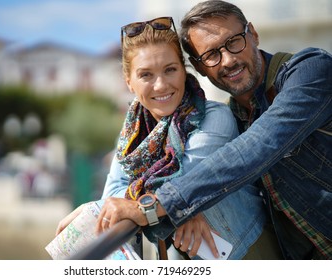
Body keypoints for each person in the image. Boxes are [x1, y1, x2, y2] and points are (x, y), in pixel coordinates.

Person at [56, 16, 276, 259]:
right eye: (146, 75)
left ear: (183, 71)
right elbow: (115, 191)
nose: (160, 85)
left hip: (245, 253)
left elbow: (180, 188)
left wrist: (96, 209)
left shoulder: (215, 118)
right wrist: (174, 211)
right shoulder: (133, 134)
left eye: (170, 69)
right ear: (129, 82)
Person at [151, 0, 331, 259]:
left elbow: (259, 144)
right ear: (199, 67)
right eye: (211, 55)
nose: (228, 60)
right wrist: (189, 210)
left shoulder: (310, 70)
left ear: (254, 34)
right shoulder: (228, 116)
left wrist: (169, 203)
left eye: (234, 41)